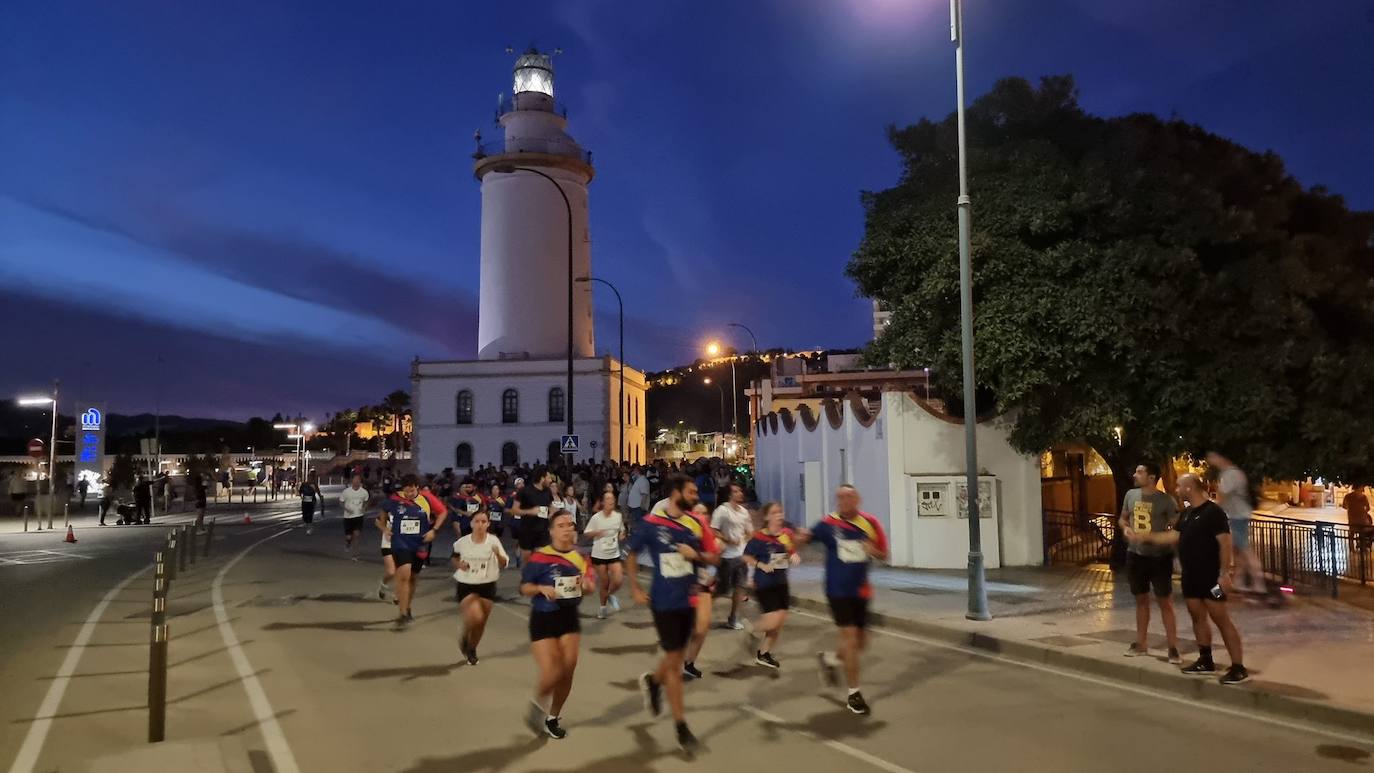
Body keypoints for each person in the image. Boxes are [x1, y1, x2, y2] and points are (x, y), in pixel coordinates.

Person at [627, 474, 714, 752]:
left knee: (675, 655)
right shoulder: (652, 524)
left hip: (689, 600)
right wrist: (635, 588)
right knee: (675, 661)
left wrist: (696, 556)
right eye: (691, 492)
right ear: (676, 492)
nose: (695, 496)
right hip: (663, 601)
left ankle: (653, 682)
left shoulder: (696, 523)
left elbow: (713, 557)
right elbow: (630, 552)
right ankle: (681, 727)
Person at [1139, 474, 1248, 684]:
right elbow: (1174, 537)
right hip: (1191, 577)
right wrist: (1146, 537)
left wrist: (1226, 574)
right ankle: (1205, 659)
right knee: (1197, 617)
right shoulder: (1187, 513)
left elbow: (1225, 544)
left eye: (1179, 486)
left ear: (1189, 488)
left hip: (1211, 578)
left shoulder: (1213, 512)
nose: (1177, 489)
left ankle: (1238, 666)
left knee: (1221, 618)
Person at [799, 484, 887, 716]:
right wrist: (790, 542)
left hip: (861, 591)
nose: (845, 501)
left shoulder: (870, 523)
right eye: (841, 497)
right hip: (837, 590)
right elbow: (806, 537)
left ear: (858, 499)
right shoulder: (828, 524)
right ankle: (854, 694)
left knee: (860, 643)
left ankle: (829, 659)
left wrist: (872, 550)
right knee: (849, 640)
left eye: (849, 496)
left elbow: (884, 554)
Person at [521, 509, 595, 740]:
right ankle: (537, 706)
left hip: (569, 616)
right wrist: (541, 589)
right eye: (561, 525)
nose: (567, 529)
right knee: (552, 672)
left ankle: (552, 717)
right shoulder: (539, 557)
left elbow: (591, 585)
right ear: (552, 531)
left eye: (570, 525)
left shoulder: (581, 557)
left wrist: (588, 585)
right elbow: (524, 588)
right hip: (543, 617)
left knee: (568, 669)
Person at [1119, 462, 1182, 663]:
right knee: (1141, 599)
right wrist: (1126, 528)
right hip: (1135, 555)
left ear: (1152, 477)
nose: (1135, 474)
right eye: (1136, 470)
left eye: (1140, 472)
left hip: (1159, 557)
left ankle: (1173, 647)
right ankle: (1141, 643)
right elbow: (1123, 518)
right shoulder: (1130, 495)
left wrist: (1161, 536)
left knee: (1165, 602)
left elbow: (1176, 526)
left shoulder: (1165, 500)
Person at [379, 475, 447, 627]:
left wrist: (434, 530)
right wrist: (385, 529)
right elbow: (382, 515)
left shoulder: (427, 498)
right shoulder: (395, 499)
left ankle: (407, 607)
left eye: (412, 490)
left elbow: (443, 512)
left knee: (413, 578)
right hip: (400, 542)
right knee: (404, 574)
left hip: (420, 544)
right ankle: (402, 614)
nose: (409, 494)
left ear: (417, 487)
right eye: (406, 491)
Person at [741, 502, 799, 669]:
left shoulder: (786, 534)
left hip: (782, 582)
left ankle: (764, 653)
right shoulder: (758, 537)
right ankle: (751, 628)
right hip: (764, 584)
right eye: (774, 513)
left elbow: (790, 549)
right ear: (766, 517)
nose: (779, 515)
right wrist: (761, 565)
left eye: (780, 512)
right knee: (773, 621)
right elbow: (746, 557)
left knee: (779, 622)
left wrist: (794, 555)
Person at [453, 509, 509, 665]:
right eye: (476, 521)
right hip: (466, 584)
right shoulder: (462, 542)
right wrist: (460, 565)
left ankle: (472, 648)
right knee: (475, 617)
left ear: (488, 524)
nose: (480, 525)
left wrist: (497, 554)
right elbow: (455, 558)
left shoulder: (493, 541)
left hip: (488, 584)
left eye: (483, 522)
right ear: (471, 523)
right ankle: (465, 632)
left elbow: (504, 563)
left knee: (481, 622)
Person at [1207, 452, 1263, 592]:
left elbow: (1223, 495)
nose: (1210, 460)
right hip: (1238, 515)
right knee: (1238, 551)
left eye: (1213, 456)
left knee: (1245, 549)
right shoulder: (1234, 473)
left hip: (1237, 516)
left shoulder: (1230, 474)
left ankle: (1259, 583)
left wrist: (1211, 510)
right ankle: (1240, 582)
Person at [681, 503, 722, 680]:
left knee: (702, 627)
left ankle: (689, 662)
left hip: (703, 584)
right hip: (683, 583)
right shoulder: (683, 535)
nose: (700, 516)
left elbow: (716, 563)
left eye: (704, 513)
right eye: (697, 513)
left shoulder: (714, 539)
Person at [711, 483, 753, 630]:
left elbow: (749, 531)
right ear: (729, 495)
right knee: (721, 589)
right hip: (726, 557)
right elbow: (713, 530)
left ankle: (733, 618)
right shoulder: (722, 510)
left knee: (740, 588)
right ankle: (699, 612)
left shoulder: (744, 511)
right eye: (736, 491)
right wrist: (728, 540)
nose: (740, 493)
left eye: (740, 490)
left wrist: (745, 539)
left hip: (741, 556)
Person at [583, 490, 625, 618]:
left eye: (612, 498)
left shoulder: (618, 516)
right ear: (602, 502)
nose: (611, 501)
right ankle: (603, 608)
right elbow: (586, 533)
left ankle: (609, 595)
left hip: (614, 553)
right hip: (599, 554)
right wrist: (597, 532)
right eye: (607, 499)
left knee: (618, 580)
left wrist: (622, 535)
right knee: (605, 582)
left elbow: (622, 530)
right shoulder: (596, 518)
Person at [512, 467, 556, 568]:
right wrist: (529, 511)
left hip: (543, 531)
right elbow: (514, 510)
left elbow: (551, 506)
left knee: (541, 561)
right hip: (527, 531)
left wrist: (552, 514)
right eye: (549, 478)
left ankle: (539, 581)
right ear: (542, 478)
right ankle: (527, 581)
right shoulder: (524, 491)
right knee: (527, 563)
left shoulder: (547, 491)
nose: (550, 480)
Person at [340, 475, 371, 558]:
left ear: (360, 481)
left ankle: (355, 554)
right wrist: (346, 509)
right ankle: (348, 542)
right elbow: (341, 502)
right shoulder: (346, 492)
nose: (356, 481)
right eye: (355, 479)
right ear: (352, 481)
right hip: (348, 517)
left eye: (358, 480)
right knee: (349, 536)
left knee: (356, 535)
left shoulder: (364, 492)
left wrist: (365, 508)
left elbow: (367, 501)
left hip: (359, 516)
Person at [1343, 486, 1373, 551]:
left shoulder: (1348, 496)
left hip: (1352, 518)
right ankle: (1363, 547)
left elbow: (1344, 506)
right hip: (1362, 519)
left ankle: (1351, 548)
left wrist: (1351, 509)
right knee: (1362, 533)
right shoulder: (1363, 497)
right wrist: (1362, 511)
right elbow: (1368, 508)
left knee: (1351, 534)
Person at [627, 465, 651, 534]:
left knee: (639, 523)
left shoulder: (643, 480)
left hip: (638, 507)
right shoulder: (639, 480)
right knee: (636, 522)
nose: (633, 473)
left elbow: (644, 494)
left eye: (634, 471)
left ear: (637, 472)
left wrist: (642, 506)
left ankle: (639, 536)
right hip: (635, 506)